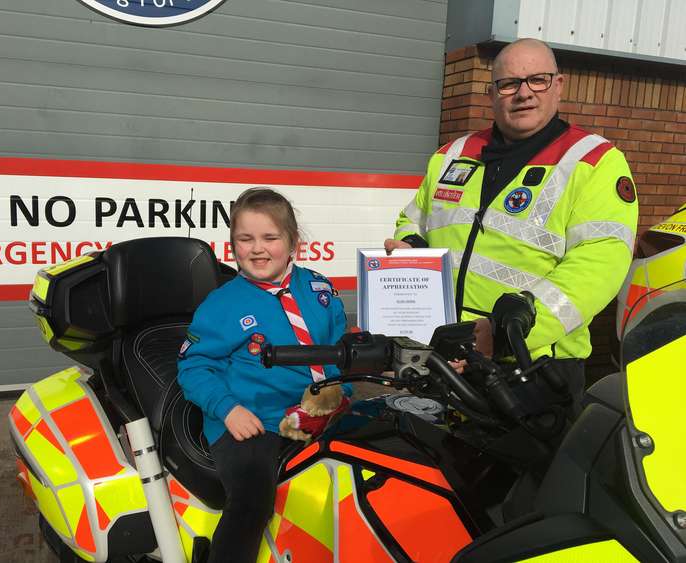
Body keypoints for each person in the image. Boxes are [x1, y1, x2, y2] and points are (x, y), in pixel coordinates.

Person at [385, 38, 639, 405]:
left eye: (537, 79)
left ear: (559, 85)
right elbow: (411, 219)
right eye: (509, 83)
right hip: (446, 355)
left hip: (532, 366)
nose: (523, 93)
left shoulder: (594, 162)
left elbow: (601, 263)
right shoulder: (452, 155)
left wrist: (507, 332)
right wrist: (416, 249)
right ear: (492, 93)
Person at [177, 187, 347, 563]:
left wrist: (339, 389)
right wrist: (229, 410)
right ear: (232, 245)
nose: (258, 248)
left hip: (321, 411)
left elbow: (339, 348)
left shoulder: (319, 289)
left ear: (293, 243)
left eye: (270, 237)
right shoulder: (222, 304)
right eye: (245, 238)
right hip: (255, 421)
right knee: (252, 499)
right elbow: (194, 366)